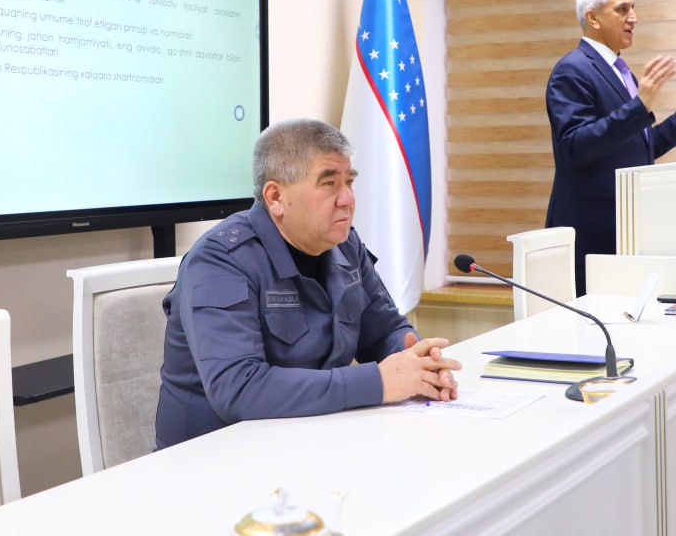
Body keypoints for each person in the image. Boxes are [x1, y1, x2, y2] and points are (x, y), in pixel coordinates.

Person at [155, 118, 460, 449]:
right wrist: (379, 382)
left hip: (312, 441)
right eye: (329, 183)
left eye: (349, 182)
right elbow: (239, 388)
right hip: (216, 459)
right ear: (275, 197)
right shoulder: (220, 261)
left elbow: (383, 330)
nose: (347, 199)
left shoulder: (344, 244)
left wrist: (417, 361)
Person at [545, 0, 676, 296]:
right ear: (593, 18)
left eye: (633, 9)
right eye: (622, 9)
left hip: (627, 231)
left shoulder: (620, 72)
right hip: (591, 238)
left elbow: (641, 147)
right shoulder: (573, 70)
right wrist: (639, 107)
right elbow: (576, 146)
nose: (633, 18)